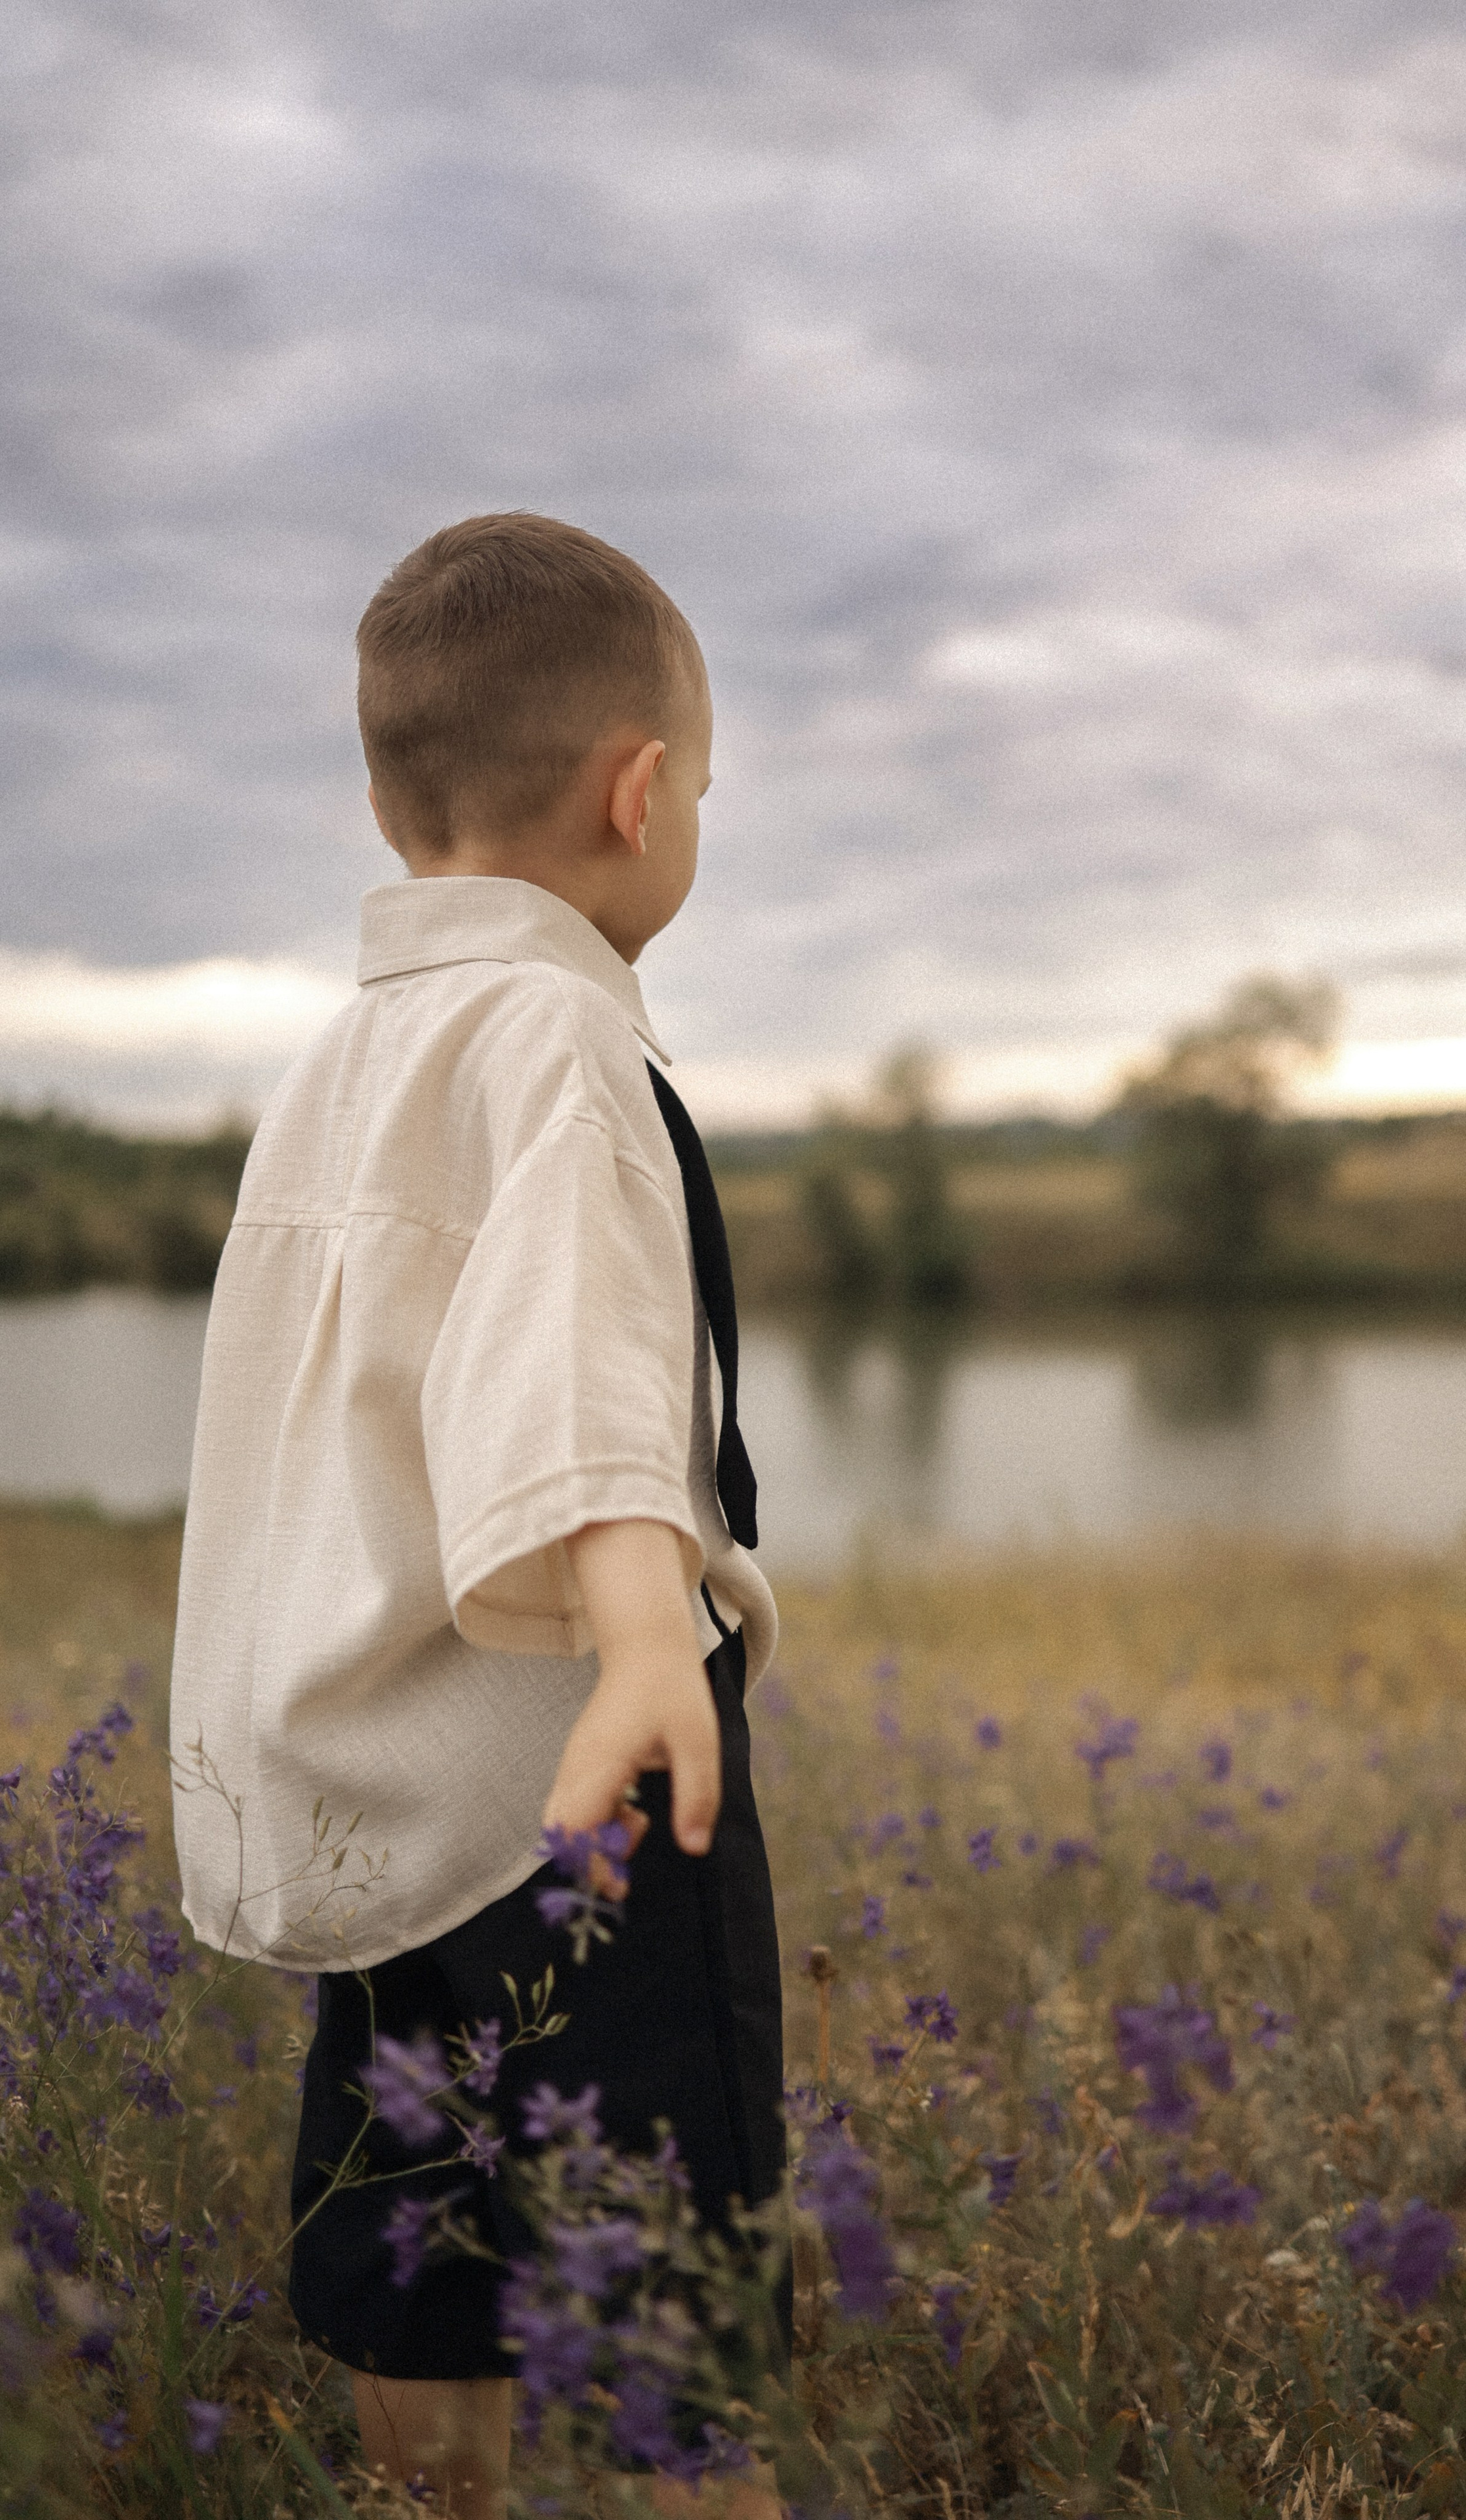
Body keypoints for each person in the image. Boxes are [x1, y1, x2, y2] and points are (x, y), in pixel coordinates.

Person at [169, 514, 787, 2517]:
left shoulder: (338, 1067)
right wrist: (636, 1641)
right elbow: (581, 1361)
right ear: (642, 792)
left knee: (421, 2229)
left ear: (385, 800)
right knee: (660, 2271)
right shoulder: (567, 1047)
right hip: (569, 1783)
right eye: (700, 784)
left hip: (371, 1790)